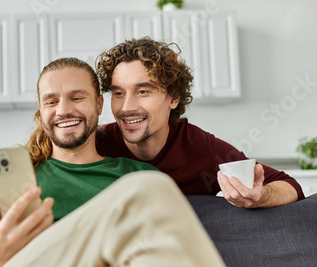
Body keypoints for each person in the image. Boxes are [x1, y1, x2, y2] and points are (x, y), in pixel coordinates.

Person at [0, 57, 259, 267]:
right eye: (50, 101)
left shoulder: (137, 174)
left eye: (76, 97)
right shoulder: (9, 176)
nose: (63, 110)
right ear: (41, 110)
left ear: (99, 105)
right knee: (149, 191)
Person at [95, 36, 304, 208]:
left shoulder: (201, 148)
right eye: (119, 93)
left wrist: (260, 196)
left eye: (143, 91)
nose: (126, 107)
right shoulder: (96, 145)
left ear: (173, 98)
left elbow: (290, 185)